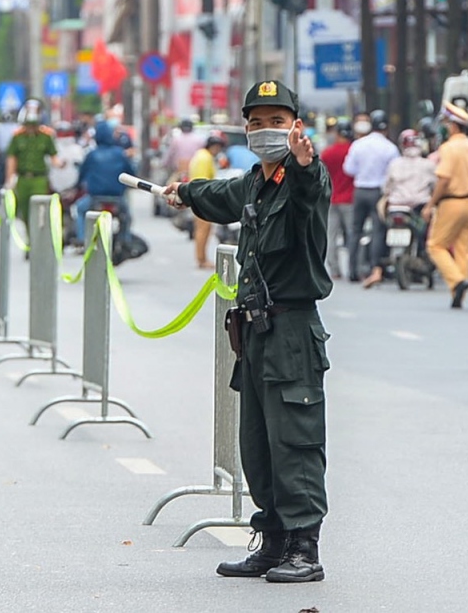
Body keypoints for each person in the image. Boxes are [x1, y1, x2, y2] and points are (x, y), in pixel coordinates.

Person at [165, 79, 330, 584]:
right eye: (256, 123)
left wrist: (303, 163)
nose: (265, 131)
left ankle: (304, 547)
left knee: (295, 442)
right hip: (255, 333)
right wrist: (185, 193)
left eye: (276, 122)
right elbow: (220, 195)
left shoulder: (304, 178)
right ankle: (273, 539)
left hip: (292, 331)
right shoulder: (257, 181)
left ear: (296, 127)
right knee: (256, 442)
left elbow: (308, 190)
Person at [423, 102, 468, 308]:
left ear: (454, 127)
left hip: (452, 202)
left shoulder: (448, 148)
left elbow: (443, 179)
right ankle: (458, 293)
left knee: (436, 245)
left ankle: (457, 281)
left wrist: (430, 204)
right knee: (463, 248)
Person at [343, 109, 399, 284]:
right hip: (378, 193)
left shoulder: (358, 145)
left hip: (360, 190)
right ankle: (376, 268)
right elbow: (394, 172)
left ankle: (352, 270)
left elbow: (349, 169)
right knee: (378, 230)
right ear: (386, 128)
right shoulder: (390, 147)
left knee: (355, 231)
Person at [5, 100, 65, 240]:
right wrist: (9, 180)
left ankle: (39, 240)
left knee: (39, 210)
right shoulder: (17, 137)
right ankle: (30, 239)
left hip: (39, 179)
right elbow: (12, 159)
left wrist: (61, 164)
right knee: (24, 211)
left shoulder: (46, 136)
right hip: (23, 178)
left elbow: (53, 156)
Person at [74, 120, 136, 247]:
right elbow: (131, 172)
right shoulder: (120, 154)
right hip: (117, 197)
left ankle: (81, 238)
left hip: (95, 197)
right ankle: (126, 239)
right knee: (127, 217)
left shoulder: (91, 155)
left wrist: (77, 186)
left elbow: (82, 173)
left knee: (80, 210)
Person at [319, 119, 355, 281]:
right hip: (351, 199)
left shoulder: (327, 153)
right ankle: (355, 268)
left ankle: (334, 269)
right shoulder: (353, 151)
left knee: (330, 236)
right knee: (353, 234)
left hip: (332, 199)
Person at [187, 135, 228, 269]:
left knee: (202, 229)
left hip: (197, 196)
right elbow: (204, 180)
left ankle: (201, 258)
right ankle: (201, 259)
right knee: (203, 230)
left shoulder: (200, 155)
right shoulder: (205, 158)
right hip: (202, 197)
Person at [163, 118, 204, 184]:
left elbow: (169, 154)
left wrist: (165, 164)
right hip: (195, 172)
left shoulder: (176, 139)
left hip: (180, 171)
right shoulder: (199, 140)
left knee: (168, 188)